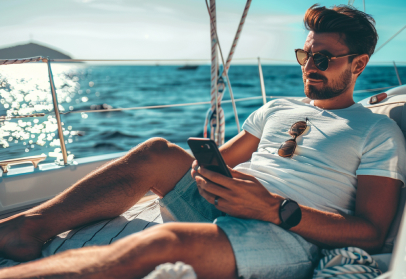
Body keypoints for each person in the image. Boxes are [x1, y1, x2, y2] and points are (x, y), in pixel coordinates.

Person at [0, 4, 405, 279]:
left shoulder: (376, 131)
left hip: (286, 231)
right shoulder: (277, 107)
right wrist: (209, 174)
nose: (310, 68)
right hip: (226, 204)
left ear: (359, 64)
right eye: (305, 56)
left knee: (165, 242)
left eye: (323, 59)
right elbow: (221, 160)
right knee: (158, 152)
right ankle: (25, 230)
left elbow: (370, 232)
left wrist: (273, 208)